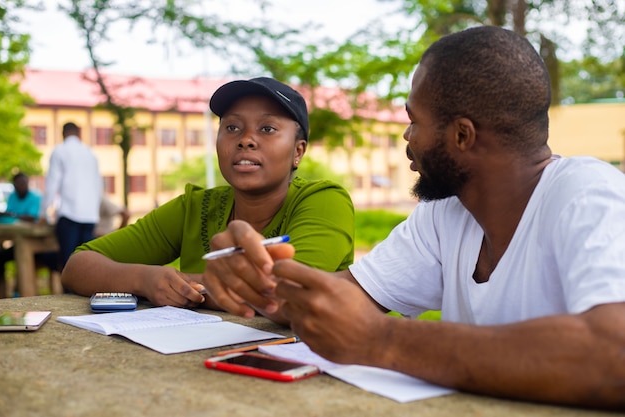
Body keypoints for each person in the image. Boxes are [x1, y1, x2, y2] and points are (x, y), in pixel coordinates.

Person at [202, 27, 625, 410]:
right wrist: (258, 273)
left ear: (462, 135)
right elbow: (343, 299)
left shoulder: (589, 196)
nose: (406, 139)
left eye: (413, 121)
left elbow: (614, 356)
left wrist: (380, 340)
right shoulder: (447, 213)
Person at [61, 77, 355, 313]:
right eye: (232, 127)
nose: (246, 140)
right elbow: (79, 265)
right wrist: (145, 279)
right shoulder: (195, 207)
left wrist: (184, 287)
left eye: (267, 128)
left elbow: (289, 292)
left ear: (298, 151)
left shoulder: (325, 200)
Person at [42, 122, 103, 270]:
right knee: (87, 266)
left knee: (69, 265)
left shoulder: (60, 151)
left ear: (63, 133)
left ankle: (68, 293)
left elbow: (52, 184)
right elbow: (98, 186)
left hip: (69, 215)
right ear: (78, 133)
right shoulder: (90, 153)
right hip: (90, 217)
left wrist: (43, 213)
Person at [0, 173, 57, 297]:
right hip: (20, 238)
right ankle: (4, 294)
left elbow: (32, 218)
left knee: (21, 252)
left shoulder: (36, 197)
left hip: (41, 244)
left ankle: (25, 294)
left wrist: (13, 215)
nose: (21, 186)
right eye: (18, 184)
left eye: (23, 183)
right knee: (2, 255)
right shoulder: (13, 197)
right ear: (14, 186)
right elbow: (10, 214)